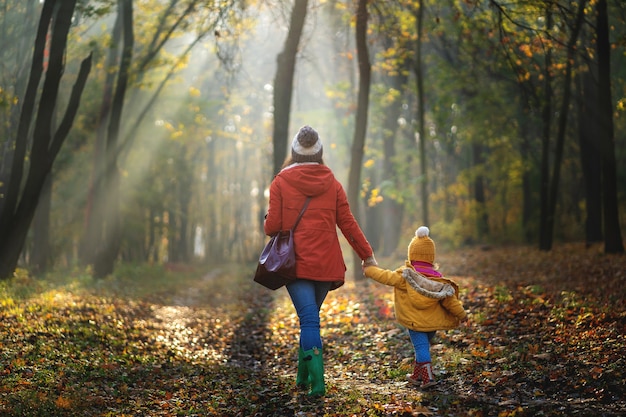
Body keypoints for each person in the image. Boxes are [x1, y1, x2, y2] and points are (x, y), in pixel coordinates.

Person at [264, 125, 377, 397]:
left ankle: (318, 384)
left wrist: (268, 220)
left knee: (309, 321)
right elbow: (347, 223)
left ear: (294, 152)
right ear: (320, 153)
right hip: (326, 265)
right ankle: (303, 378)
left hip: (295, 263)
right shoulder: (333, 184)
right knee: (310, 317)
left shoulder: (280, 182)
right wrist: (367, 254)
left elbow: (272, 227)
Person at [362, 226, 467, 388]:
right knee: (422, 347)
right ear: (431, 257)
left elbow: (386, 276)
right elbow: (450, 300)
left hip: (414, 323)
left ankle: (428, 378)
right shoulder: (437, 281)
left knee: (421, 348)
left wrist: (370, 270)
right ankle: (417, 375)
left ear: (411, 255)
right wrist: (462, 314)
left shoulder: (406, 276)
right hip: (432, 325)